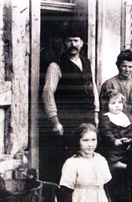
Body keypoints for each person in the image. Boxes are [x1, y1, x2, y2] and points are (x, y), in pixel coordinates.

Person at [41, 26, 99, 183]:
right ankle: (64, 196)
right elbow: (47, 93)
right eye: (69, 41)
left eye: (76, 41)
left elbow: (93, 87)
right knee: (68, 158)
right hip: (68, 121)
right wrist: (55, 121)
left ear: (82, 43)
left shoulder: (86, 62)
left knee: (88, 155)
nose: (73, 44)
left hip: (87, 118)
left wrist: (96, 113)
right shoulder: (56, 65)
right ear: (63, 44)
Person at [100, 49, 132, 125]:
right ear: (118, 66)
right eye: (124, 66)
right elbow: (103, 108)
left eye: (130, 67)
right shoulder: (109, 84)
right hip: (114, 125)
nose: (127, 70)